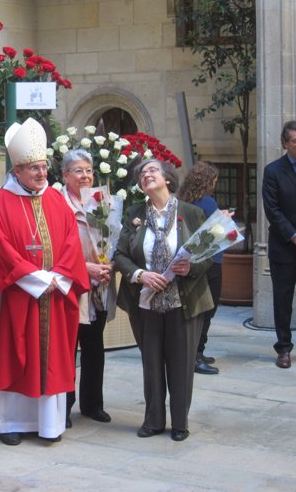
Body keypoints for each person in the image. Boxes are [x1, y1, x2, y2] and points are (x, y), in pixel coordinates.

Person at [0, 117, 90, 446]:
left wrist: (59, 277)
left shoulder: (57, 199)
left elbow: (72, 242)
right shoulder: (1, 201)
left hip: (55, 294)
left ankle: (48, 423)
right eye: (33, 169)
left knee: (52, 359)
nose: (41, 174)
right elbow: (0, 248)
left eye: (43, 167)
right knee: (16, 355)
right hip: (20, 295)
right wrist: (38, 279)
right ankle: (8, 423)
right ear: (17, 170)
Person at [115, 158, 213, 442]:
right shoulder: (135, 214)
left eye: (152, 170)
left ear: (167, 179)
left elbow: (209, 254)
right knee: (152, 362)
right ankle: (154, 420)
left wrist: (191, 267)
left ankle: (180, 422)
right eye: (142, 173)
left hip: (185, 301)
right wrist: (140, 274)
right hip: (146, 303)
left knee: (181, 363)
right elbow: (120, 255)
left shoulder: (191, 213)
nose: (146, 174)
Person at [61, 149, 117, 427]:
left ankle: (93, 403)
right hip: (71, 285)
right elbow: (56, 251)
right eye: (78, 170)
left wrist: (108, 263)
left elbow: (111, 236)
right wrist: (85, 268)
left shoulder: (101, 200)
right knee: (68, 347)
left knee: (95, 345)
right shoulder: (57, 203)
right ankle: (64, 405)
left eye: (89, 170)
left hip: (99, 285)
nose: (85, 176)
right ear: (65, 175)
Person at [178, 161, 227, 375]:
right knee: (208, 309)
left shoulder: (181, 200)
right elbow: (216, 233)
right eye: (214, 181)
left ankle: (193, 352)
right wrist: (224, 220)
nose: (215, 184)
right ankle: (196, 355)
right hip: (210, 262)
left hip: (189, 263)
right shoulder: (208, 202)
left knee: (194, 308)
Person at [262, 120, 296, 369]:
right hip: (284, 247)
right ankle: (283, 348)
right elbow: (272, 210)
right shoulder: (273, 171)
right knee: (283, 300)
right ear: (285, 143)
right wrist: (293, 235)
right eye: (294, 140)